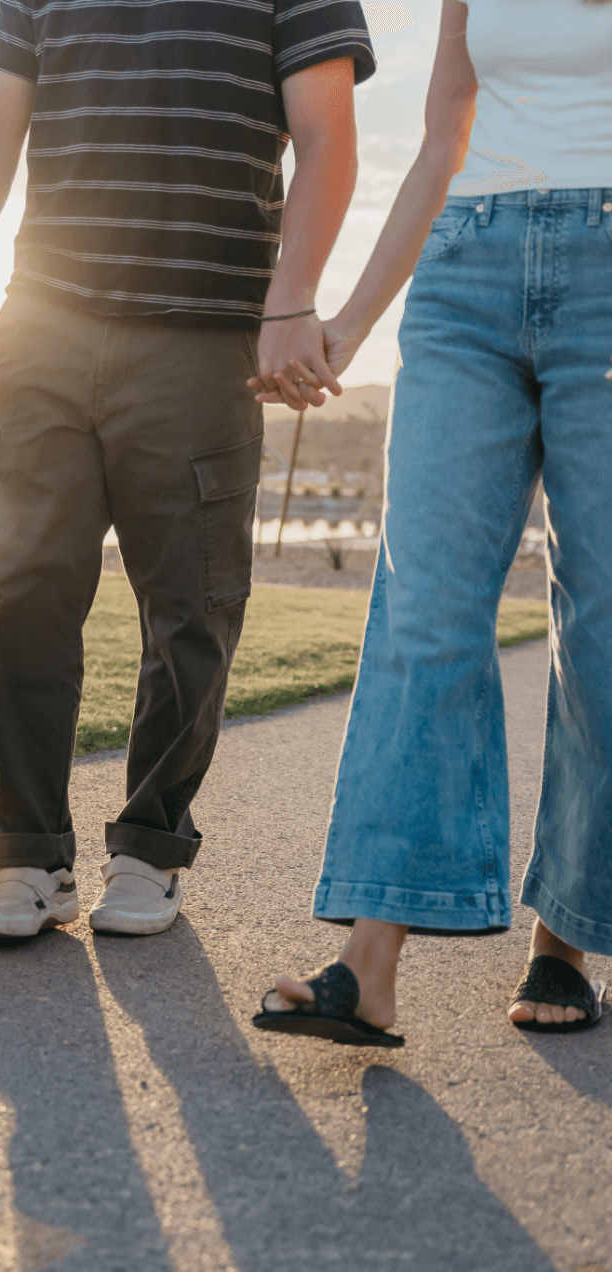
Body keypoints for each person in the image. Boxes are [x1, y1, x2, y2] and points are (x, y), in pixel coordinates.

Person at [0, 0, 375, 939]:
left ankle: (150, 849)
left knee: (191, 610)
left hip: (205, 341)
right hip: (42, 326)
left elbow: (327, 137)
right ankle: (27, 857)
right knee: (26, 597)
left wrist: (291, 303)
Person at [251, 0, 612, 1045]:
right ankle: (369, 963)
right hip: (465, 275)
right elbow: (439, 142)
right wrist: (349, 323)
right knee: (426, 610)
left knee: (599, 633)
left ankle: (568, 936)